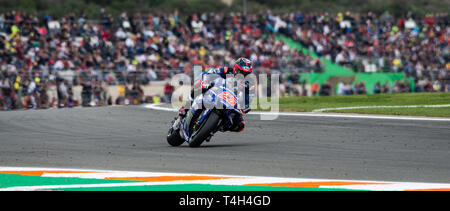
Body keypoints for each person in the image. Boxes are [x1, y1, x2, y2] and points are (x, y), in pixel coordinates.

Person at [178, 57, 255, 133]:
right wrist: (205, 81)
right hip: (216, 91)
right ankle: (185, 106)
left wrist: (245, 107)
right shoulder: (227, 71)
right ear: (235, 69)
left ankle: (218, 126)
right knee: (199, 85)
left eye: (246, 73)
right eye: (241, 72)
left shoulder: (248, 85)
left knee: (240, 125)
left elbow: (247, 100)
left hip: (231, 103)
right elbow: (210, 72)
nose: (242, 75)